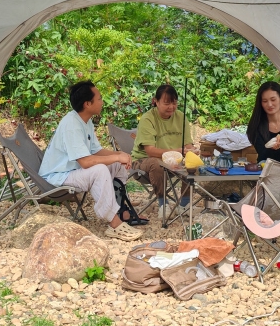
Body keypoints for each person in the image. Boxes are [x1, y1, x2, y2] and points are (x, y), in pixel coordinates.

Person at [39, 80, 144, 241]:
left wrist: (120, 155)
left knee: (117, 164)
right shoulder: (71, 124)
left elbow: (96, 151)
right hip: (59, 175)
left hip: (74, 171)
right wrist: (117, 156)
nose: (102, 102)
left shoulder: (85, 121)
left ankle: (120, 208)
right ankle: (114, 225)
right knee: (99, 170)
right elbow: (86, 162)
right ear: (87, 104)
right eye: (99, 99)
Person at [130, 84, 195, 223]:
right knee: (157, 163)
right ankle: (163, 204)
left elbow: (188, 144)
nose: (171, 107)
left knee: (193, 161)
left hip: (173, 162)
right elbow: (150, 151)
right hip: (143, 162)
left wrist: (192, 152)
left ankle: (184, 204)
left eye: (174, 103)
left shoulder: (181, 117)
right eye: (167, 103)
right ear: (156, 101)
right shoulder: (148, 118)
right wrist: (177, 151)